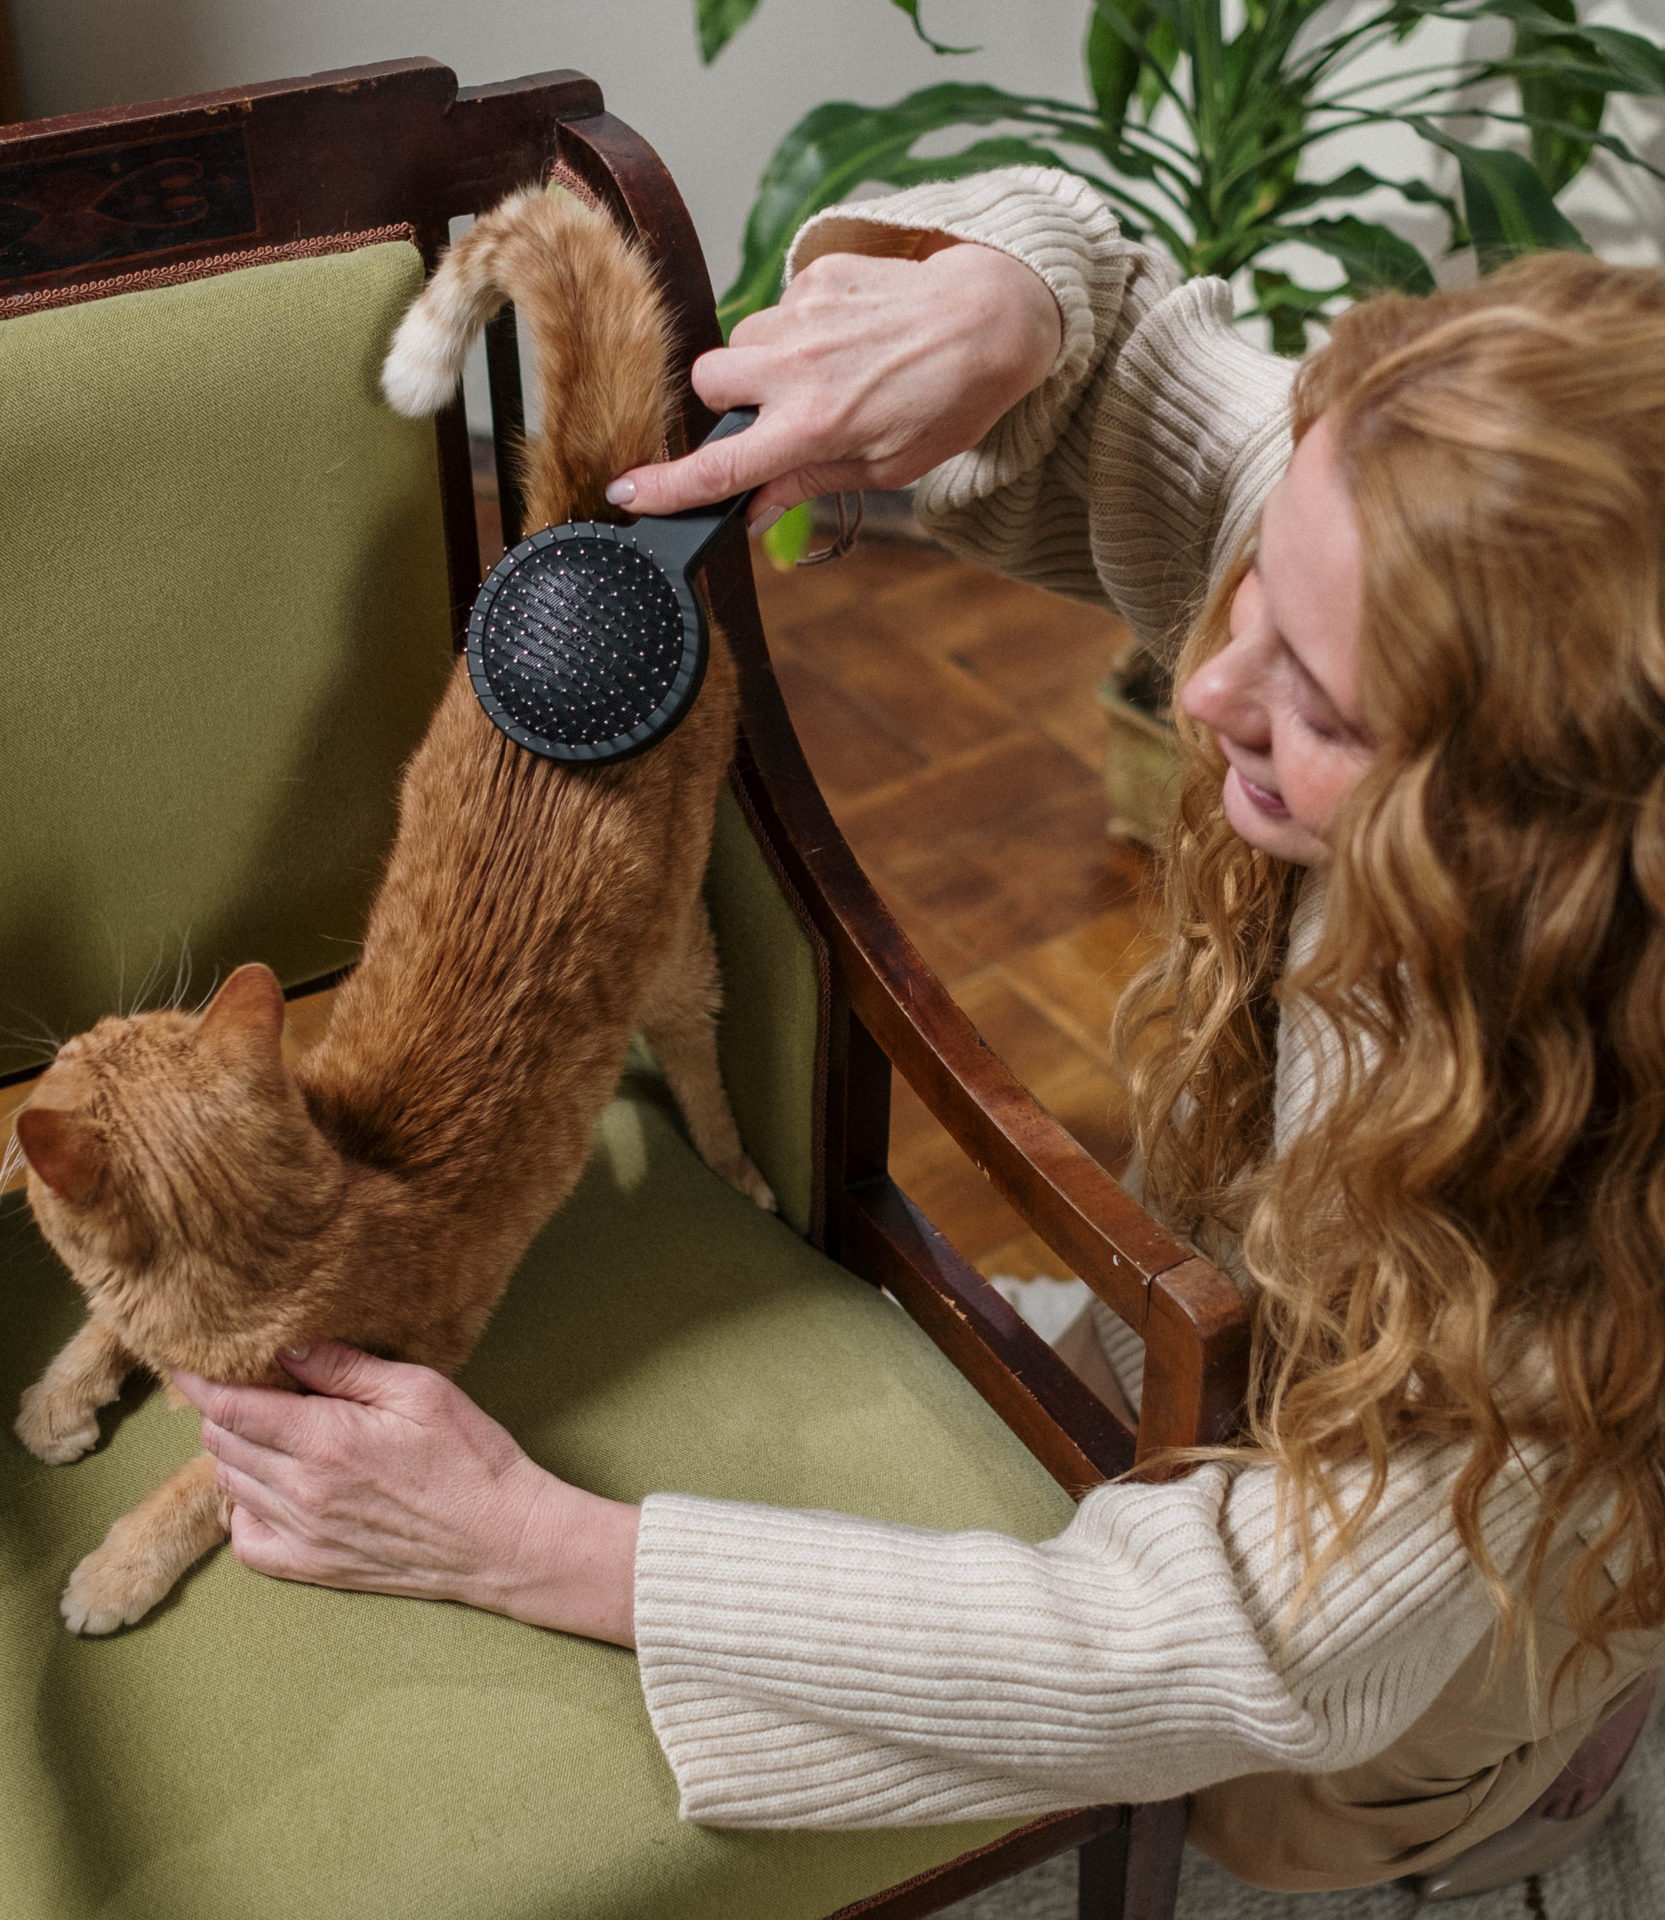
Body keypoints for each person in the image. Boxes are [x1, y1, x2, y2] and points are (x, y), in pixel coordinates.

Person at [173, 167, 1665, 1896]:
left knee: (1311, 1803)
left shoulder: (1584, 1268)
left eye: (1315, 704)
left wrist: (533, 1545)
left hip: (1439, 1592)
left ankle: (1531, 1780)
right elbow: (1136, 363)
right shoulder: (1404, 535)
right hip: (1269, 1335)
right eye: (1251, 588)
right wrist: (1013, 299)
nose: (1201, 686)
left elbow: (1239, 1647)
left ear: (1540, 845)